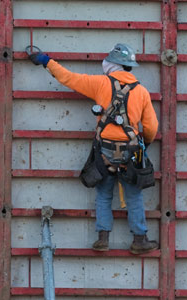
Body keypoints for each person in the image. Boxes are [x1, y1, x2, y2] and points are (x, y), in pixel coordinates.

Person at [29, 43, 159, 254]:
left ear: (113, 64)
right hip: (131, 151)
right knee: (134, 197)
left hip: (105, 150)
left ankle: (103, 239)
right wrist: (146, 145)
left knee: (104, 194)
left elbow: (69, 78)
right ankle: (139, 240)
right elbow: (151, 126)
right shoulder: (142, 91)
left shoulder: (100, 84)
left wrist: (46, 61)